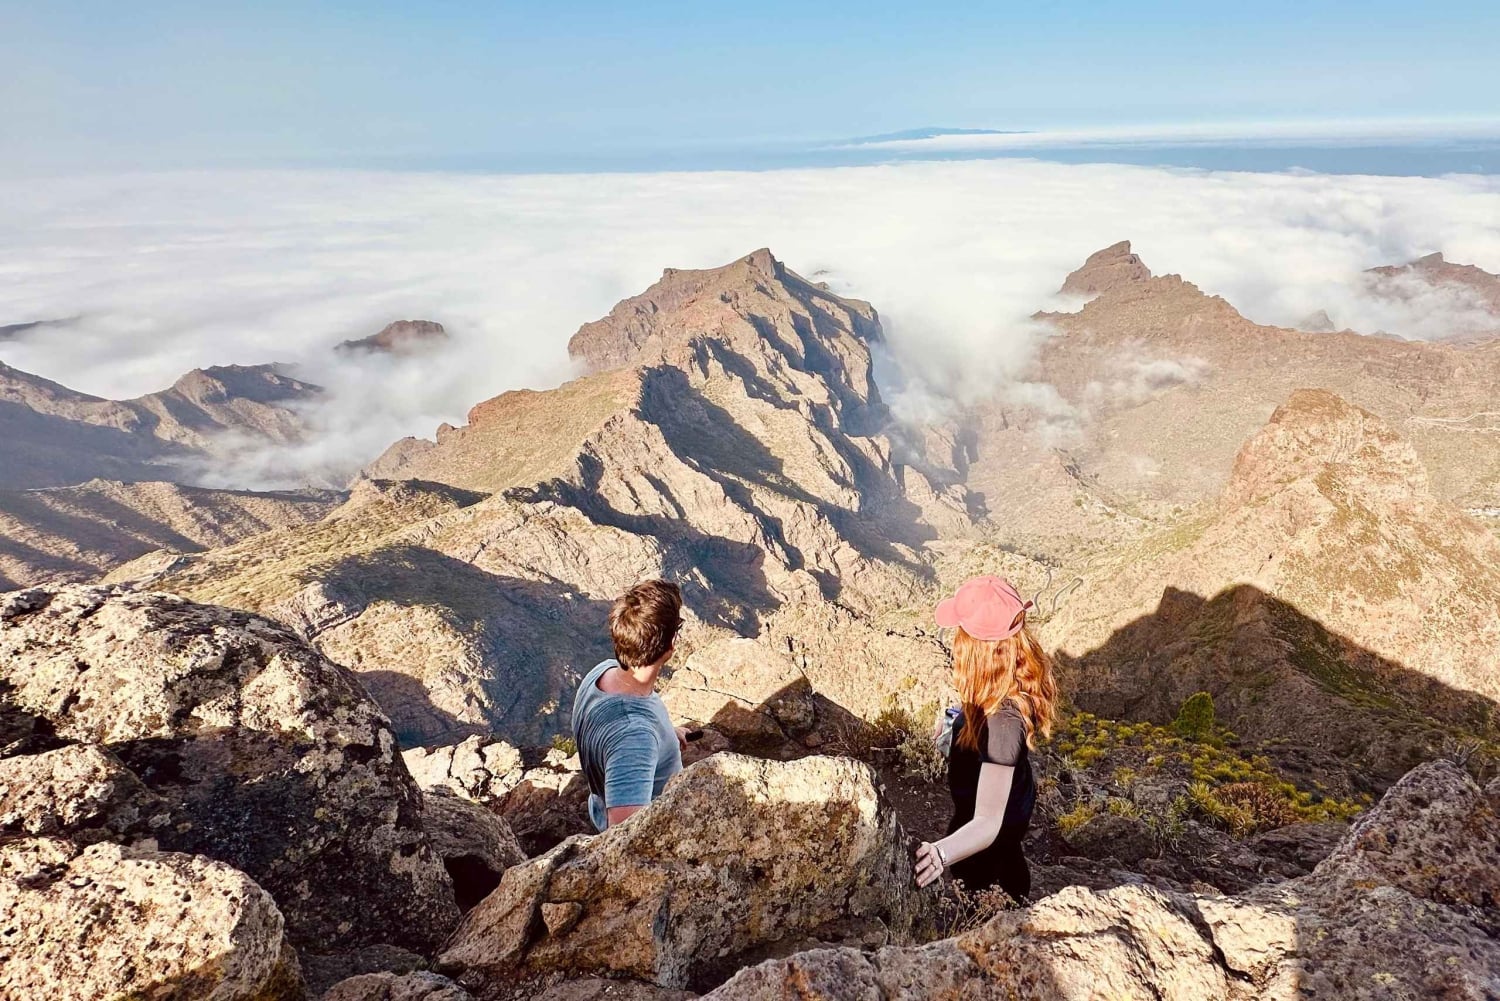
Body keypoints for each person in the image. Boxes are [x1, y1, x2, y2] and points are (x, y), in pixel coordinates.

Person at [913, 575, 1058, 902]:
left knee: (986, 884)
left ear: (977, 651)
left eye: (960, 634)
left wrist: (939, 854)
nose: (955, 642)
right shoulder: (999, 690)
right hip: (998, 815)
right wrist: (958, 722)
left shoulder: (1003, 722)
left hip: (991, 844)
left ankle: (1007, 909)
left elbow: (988, 823)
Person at [572, 579, 692, 830]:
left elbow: (614, 737)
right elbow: (624, 832)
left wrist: (667, 735)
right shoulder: (635, 736)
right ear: (670, 645)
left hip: (599, 803)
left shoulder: (601, 672)